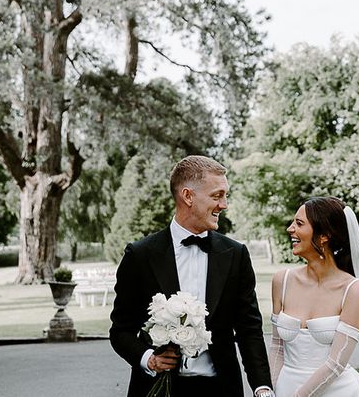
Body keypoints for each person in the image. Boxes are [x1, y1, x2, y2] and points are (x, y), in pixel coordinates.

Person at [110, 155, 275, 397]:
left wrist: (262, 387)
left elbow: (249, 329)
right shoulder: (140, 255)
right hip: (158, 389)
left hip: (221, 390)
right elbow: (120, 331)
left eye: (225, 196)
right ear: (188, 196)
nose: (224, 205)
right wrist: (149, 359)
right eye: (217, 196)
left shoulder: (235, 254)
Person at [268, 196, 359, 396]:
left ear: (324, 236)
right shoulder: (282, 281)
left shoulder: (354, 290)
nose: (290, 229)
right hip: (286, 388)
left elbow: (336, 364)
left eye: (299, 223)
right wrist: (273, 390)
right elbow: (277, 347)